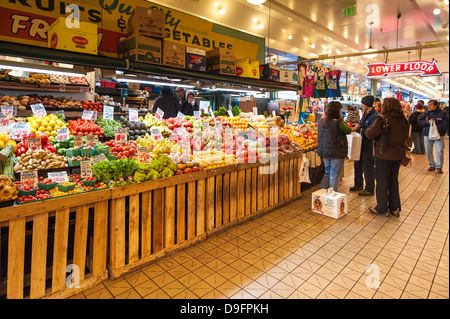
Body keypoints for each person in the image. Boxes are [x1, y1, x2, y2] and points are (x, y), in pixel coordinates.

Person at [365, 97, 410, 218]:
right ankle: (395, 208)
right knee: (393, 180)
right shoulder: (403, 120)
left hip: (383, 154)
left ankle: (381, 208)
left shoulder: (382, 119)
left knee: (382, 180)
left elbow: (371, 134)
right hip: (398, 155)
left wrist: (367, 129)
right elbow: (406, 136)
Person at [317, 101, 351, 192]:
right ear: (337, 111)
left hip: (325, 153)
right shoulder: (339, 122)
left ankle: (321, 194)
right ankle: (332, 196)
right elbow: (348, 130)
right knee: (334, 175)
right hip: (337, 153)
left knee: (327, 173)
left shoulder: (321, 121)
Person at [350, 95, 379, 196]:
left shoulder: (375, 116)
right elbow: (361, 123)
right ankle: (358, 184)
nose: (361, 105)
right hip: (361, 143)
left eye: (363, 103)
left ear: (368, 104)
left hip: (369, 145)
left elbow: (371, 131)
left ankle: (370, 189)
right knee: (357, 164)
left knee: (368, 167)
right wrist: (357, 126)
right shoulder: (365, 113)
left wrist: (358, 129)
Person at [418, 99, 449, 174]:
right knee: (428, 150)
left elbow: (446, 123)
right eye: (428, 104)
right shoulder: (426, 113)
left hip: (439, 135)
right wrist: (427, 122)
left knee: (439, 151)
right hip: (427, 134)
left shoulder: (443, 113)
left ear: (436, 105)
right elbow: (419, 121)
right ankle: (432, 165)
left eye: (431, 105)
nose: (429, 106)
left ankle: (439, 166)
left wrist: (435, 127)